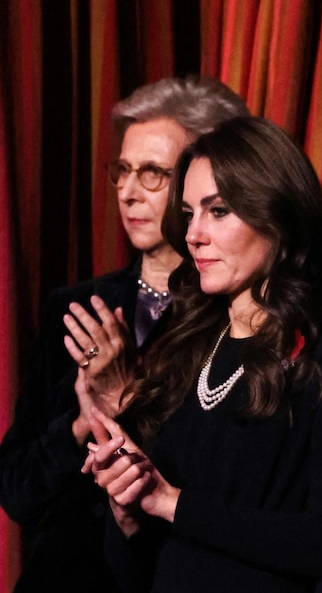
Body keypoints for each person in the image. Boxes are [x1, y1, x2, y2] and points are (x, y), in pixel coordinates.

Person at [81, 116, 322, 592]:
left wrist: (173, 503)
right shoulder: (184, 346)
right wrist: (128, 508)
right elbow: (135, 569)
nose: (193, 235)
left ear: (278, 216)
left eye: (218, 210)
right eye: (188, 215)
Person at [0, 76, 249, 592]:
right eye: (123, 170)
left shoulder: (236, 316)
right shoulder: (73, 307)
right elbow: (18, 490)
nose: (129, 192)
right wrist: (84, 421)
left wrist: (126, 394)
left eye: (154, 174)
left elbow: (220, 490)